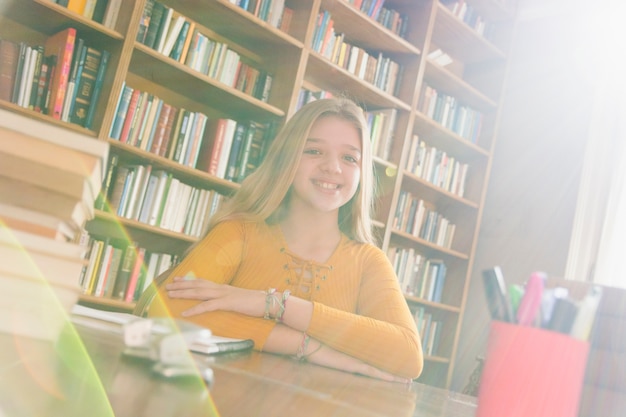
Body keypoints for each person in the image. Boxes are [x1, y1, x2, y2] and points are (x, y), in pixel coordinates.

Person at [146, 97, 423, 382]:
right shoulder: (238, 232)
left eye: (349, 158)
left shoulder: (369, 262)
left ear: (362, 174)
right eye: (314, 151)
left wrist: (275, 305)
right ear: (287, 158)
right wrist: (309, 347)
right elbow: (165, 310)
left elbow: (408, 356)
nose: (333, 167)